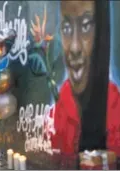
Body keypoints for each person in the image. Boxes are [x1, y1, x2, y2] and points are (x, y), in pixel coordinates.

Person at [44, 0, 120, 169]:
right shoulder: (57, 113)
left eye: (86, 26)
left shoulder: (116, 108)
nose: (75, 47)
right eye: (67, 29)